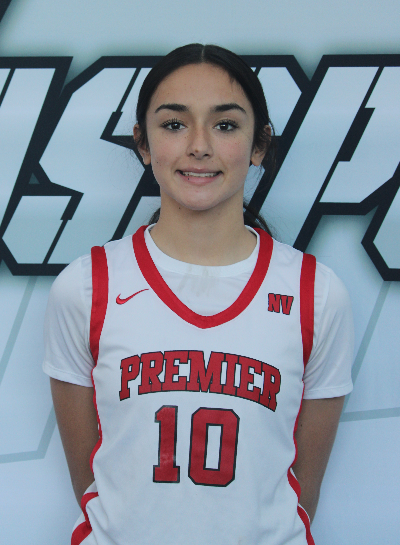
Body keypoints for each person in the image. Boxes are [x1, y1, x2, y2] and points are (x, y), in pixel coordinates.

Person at [43, 44, 354, 545]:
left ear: (259, 145)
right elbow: (92, 483)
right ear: (143, 144)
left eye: (225, 125)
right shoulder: (86, 287)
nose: (200, 146)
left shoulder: (316, 293)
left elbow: (302, 491)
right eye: (174, 124)